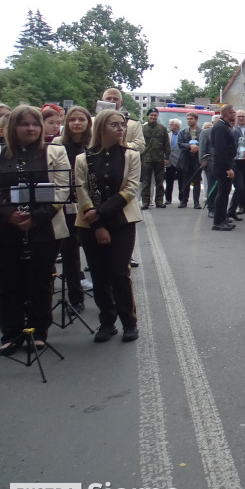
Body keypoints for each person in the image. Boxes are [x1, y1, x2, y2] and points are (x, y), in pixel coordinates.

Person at [0, 106, 70, 353]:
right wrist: (9, 215)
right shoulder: (2, 154)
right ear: (12, 128)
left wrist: (36, 217)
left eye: (35, 124)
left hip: (45, 228)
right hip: (7, 228)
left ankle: (39, 330)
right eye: (24, 124)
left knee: (40, 281)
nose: (30, 129)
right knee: (9, 281)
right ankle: (11, 332)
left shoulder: (55, 152)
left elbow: (62, 189)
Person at [75, 109, 141, 343]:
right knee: (100, 274)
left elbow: (130, 189)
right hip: (90, 223)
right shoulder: (84, 158)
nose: (120, 128)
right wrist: (95, 222)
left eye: (122, 124)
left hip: (121, 220)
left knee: (118, 272)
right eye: (114, 125)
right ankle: (107, 322)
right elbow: (81, 191)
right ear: (101, 128)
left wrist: (100, 213)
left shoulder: (131, 155)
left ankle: (129, 322)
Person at [56, 105, 94, 315]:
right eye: (73, 119)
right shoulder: (58, 146)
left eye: (81, 119)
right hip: (66, 206)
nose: (77, 123)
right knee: (70, 255)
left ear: (88, 122)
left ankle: (105, 295)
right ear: (67, 123)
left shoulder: (94, 145)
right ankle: (75, 297)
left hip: (90, 206)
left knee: (95, 252)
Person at [210, 105, 238, 231]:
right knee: (222, 193)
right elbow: (221, 150)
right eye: (233, 112)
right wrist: (228, 168)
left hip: (226, 164)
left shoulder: (225, 126)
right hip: (223, 166)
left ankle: (222, 218)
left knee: (225, 193)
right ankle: (218, 221)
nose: (235, 115)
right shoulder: (220, 127)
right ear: (227, 113)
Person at [139, 108, 170, 209]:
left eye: (155, 115)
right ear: (148, 116)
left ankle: (159, 201)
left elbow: (166, 144)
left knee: (159, 182)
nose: (153, 117)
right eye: (151, 115)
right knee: (146, 182)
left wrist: (166, 157)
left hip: (159, 158)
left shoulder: (162, 128)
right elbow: (139, 144)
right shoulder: (142, 129)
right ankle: (145, 202)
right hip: (146, 158)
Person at [100, 88, 145, 153]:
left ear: (121, 102)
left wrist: (122, 144)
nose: (112, 101)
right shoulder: (91, 121)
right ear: (102, 100)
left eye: (115, 99)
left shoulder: (133, 124)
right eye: (108, 98)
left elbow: (140, 146)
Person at [176, 112, 203, 209]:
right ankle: (184, 200)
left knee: (197, 181)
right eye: (187, 119)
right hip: (186, 159)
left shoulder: (202, 132)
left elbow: (205, 143)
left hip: (197, 159)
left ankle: (196, 202)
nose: (189, 120)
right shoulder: (183, 132)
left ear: (196, 119)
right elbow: (180, 144)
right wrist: (189, 146)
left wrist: (198, 147)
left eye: (191, 119)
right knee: (185, 181)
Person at [164, 118, 183, 205]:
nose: (169, 126)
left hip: (180, 160)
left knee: (181, 181)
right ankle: (168, 199)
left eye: (171, 124)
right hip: (170, 161)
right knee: (169, 181)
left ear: (176, 126)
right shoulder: (169, 134)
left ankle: (182, 199)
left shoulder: (182, 134)